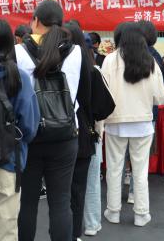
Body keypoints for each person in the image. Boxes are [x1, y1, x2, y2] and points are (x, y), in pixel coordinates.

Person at [16, 0, 82, 241]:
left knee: (27, 202)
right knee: (61, 202)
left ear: (35, 21)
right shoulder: (75, 51)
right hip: (66, 134)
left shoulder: (19, 51)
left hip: (31, 134)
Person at [0, 18, 40, 241]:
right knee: (3, 233)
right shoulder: (19, 77)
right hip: (9, 163)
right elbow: (30, 127)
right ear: (10, 43)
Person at [102, 22, 164, 227]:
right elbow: (159, 97)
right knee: (140, 171)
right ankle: (141, 214)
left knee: (114, 169)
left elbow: (103, 93)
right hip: (143, 123)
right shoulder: (150, 61)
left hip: (115, 122)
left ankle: (113, 212)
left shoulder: (110, 60)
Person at [64, 21, 97, 241]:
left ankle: (64, 233)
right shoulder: (89, 67)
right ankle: (74, 234)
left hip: (60, 134)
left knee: (61, 192)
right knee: (78, 189)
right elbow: (98, 104)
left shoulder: (52, 62)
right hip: (83, 132)